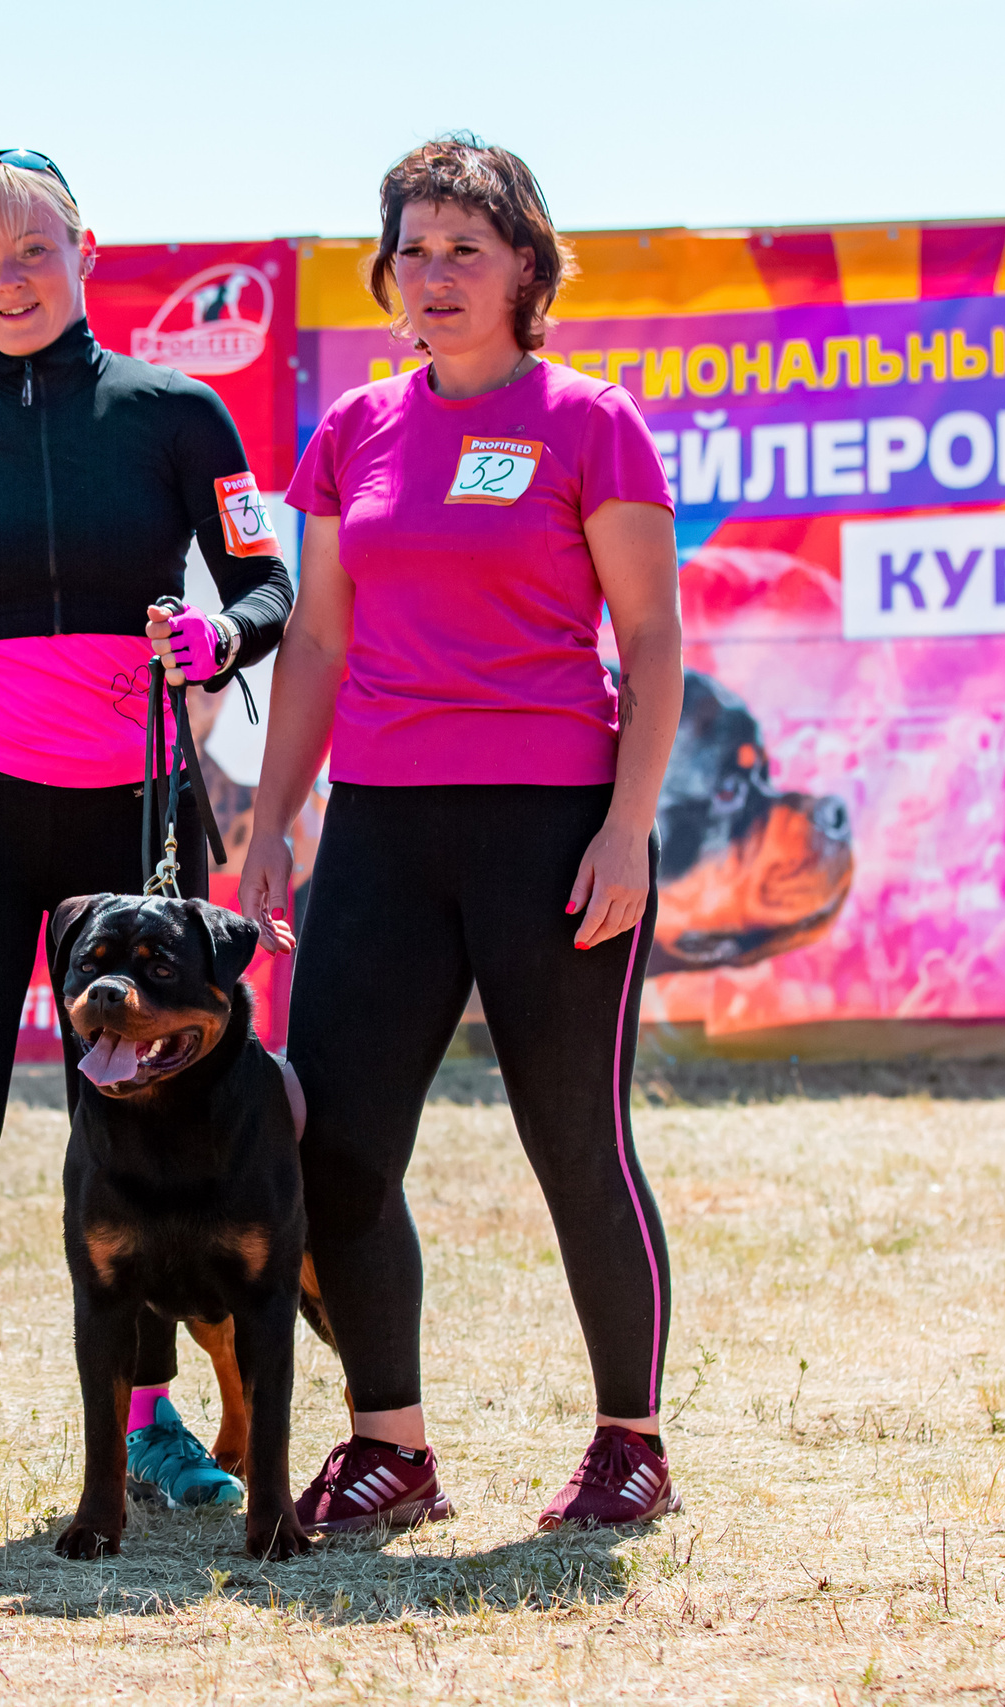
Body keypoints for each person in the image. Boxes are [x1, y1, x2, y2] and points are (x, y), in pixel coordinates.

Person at [0, 150, 295, 1544]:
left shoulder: (180, 413)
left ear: (85, 246)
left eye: (31, 252)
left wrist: (221, 634)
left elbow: (264, 578)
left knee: (150, 1117)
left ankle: (151, 1424)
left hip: (129, 821)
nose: (8, 281)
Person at [237, 134, 686, 1534]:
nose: (433, 275)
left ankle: (631, 1439)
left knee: (575, 1140)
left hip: (552, 828)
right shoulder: (353, 431)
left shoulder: (589, 421)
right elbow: (314, 639)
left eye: (464, 250)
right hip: (380, 827)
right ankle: (392, 1447)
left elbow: (653, 635)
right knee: (337, 1144)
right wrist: (271, 822)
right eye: (413, 249)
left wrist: (627, 827)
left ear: (526, 270)